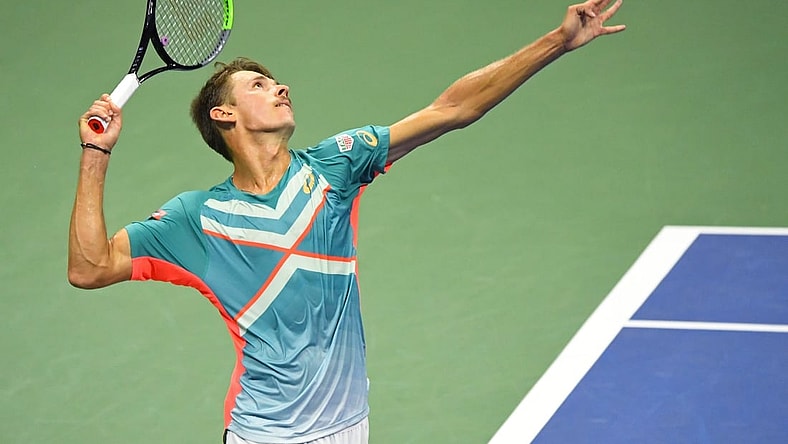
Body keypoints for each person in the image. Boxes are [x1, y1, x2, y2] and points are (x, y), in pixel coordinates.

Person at [69, 1, 625, 442]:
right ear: (224, 115)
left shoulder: (335, 166)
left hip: (350, 427)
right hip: (265, 434)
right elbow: (89, 267)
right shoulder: (198, 218)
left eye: (275, 81)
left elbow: (453, 108)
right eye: (258, 85)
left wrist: (557, 42)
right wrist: (96, 153)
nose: (280, 87)